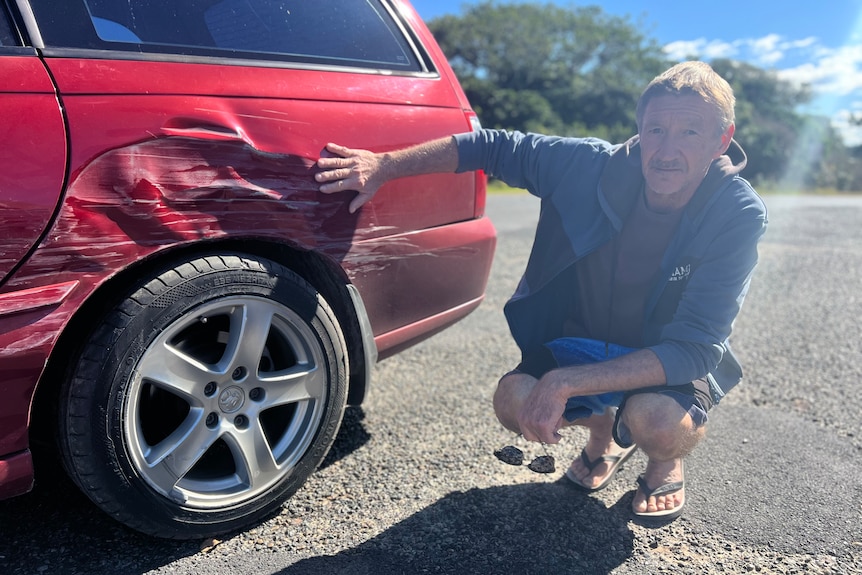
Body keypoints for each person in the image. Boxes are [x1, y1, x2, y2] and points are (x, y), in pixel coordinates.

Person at [314, 61, 767, 521]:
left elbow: (694, 347)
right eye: (656, 130)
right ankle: (602, 435)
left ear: (721, 140)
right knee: (513, 401)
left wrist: (566, 381)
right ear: (640, 130)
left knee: (659, 423)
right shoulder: (588, 166)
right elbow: (492, 147)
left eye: (690, 132)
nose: (667, 150)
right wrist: (384, 165)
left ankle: (663, 462)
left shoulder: (737, 212)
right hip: (584, 338)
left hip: (661, 354)